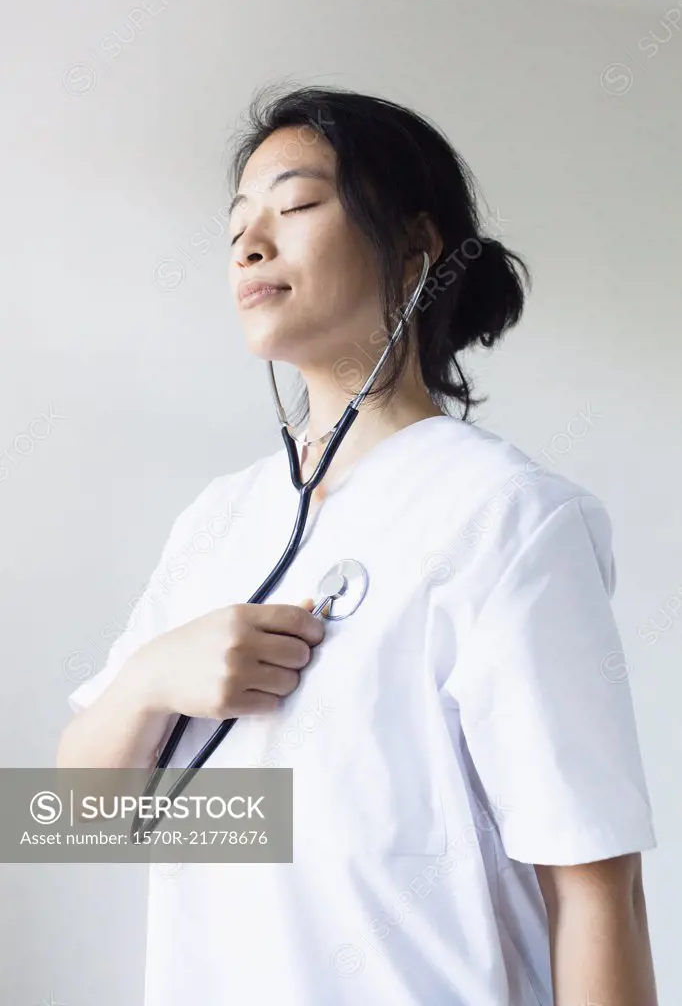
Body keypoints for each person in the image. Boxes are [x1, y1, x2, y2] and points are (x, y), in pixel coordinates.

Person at [57, 84, 659, 1005]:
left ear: (416, 251)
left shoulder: (507, 516)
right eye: (236, 230)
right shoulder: (220, 520)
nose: (252, 244)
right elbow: (79, 818)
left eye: (295, 206)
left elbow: (595, 890)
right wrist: (151, 678)